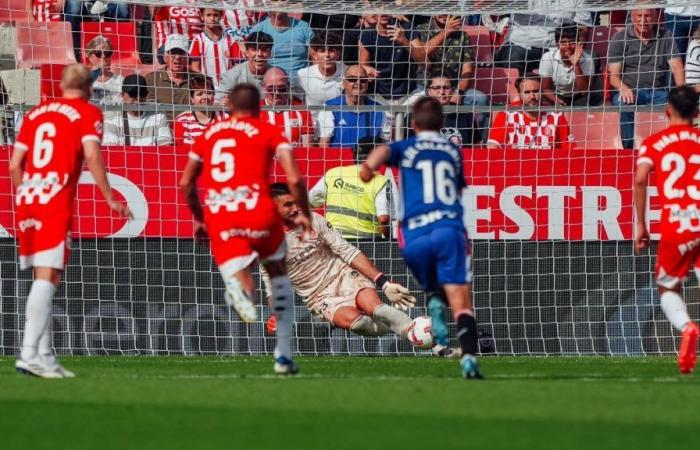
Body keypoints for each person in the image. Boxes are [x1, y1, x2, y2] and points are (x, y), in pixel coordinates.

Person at [179, 83, 313, 375]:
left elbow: (186, 184)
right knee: (278, 275)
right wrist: (305, 214)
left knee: (244, 280)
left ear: (228, 106)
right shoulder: (268, 131)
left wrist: (199, 216)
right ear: (259, 106)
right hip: (259, 212)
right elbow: (293, 177)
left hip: (221, 215)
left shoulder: (207, 134)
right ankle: (283, 354)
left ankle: (240, 291)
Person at [10, 64, 132, 378]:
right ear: (89, 87)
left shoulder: (36, 113)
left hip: (28, 196)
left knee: (45, 276)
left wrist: (27, 192)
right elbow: (92, 155)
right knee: (48, 277)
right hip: (54, 197)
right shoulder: (87, 113)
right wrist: (109, 197)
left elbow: (14, 164)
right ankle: (27, 355)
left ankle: (45, 357)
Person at [360, 96, 483, 379]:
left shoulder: (406, 146)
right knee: (462, 299)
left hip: (414, 234)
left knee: (431, 281)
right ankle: (468, 359)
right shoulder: (452, 152)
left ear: (413, 124)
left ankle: (434, 294)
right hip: (448, 229)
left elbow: (380, 152)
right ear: (441, 124)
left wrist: (367, 169)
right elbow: (458, 189)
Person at [261, 183, 456, 356]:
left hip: (344, 275)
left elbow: (347, 251)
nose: (296, 208)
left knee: (375, 308)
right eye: (288, 205)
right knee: (359, 323)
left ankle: (429, 340)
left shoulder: (313, 220)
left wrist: (384, 283)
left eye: (296, 202)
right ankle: (414, 329)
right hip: (318, 297)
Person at [634, 85, 700, 374]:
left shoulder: (654, 142)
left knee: (668, 285)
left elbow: (639, 180)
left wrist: (641, 226)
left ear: (666, 110)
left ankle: (686, 327)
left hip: (676, 221)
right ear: (697, 113)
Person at [608, 8, 685, 150]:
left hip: (658, 92)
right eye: (639, 15)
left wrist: (681, 94)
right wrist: (624, 88)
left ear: (655, 17)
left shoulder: (666, 36)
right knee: (623, 103)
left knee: (678, 105)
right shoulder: (620, 38)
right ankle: (629, 150)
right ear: (632, 17)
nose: (643, 20)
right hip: (631, 91)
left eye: (648, 16)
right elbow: (613, 77)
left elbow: (677, 68)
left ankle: (673, 148)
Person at [309, 136, 392, 240]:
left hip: (333, 240)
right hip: (366, 241)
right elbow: (383, 219)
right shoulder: (380, 181)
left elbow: (310, 201)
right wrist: (389, 241)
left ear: (354, 153)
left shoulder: (334, 173)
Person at [415, 14, 487, 108]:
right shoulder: (420, 30)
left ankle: (467, 123)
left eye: (447, 10)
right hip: (425, 86)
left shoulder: (462, 36)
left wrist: (459, 92)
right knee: (414, 100)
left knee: (479, 99)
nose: (444, 13)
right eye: (440, 9)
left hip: (452, 88)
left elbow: (467, 70)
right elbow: (423, 52)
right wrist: (447, 31)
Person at [487, 73, 574, 150]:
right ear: (519, 94)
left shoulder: (555, 115)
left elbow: (571, 149)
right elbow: (493, 145)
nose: (532, 96)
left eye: (536, 91)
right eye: (527, 92)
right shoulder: (507, 113)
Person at [358, 14, 426, 104]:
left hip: (409, 94)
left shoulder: (406, 27)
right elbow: (362, 65)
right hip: (378, 96)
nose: (383, 12)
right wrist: (366, 69)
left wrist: (405, 42)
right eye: (379, 6)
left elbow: (425, 62)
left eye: (386, 4)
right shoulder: (368, 34)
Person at [317, 65, 390, 148]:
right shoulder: (329, 107)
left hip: (368, 159)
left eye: (363, 80)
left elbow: (385, 145)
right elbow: (324, 144)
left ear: (367, 84)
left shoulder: (380, 110)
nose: (358, 83)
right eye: (352, 79)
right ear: (344, 83)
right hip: (339, 159)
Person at [407, 71, 477, 146]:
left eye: (446, 88)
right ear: (429, 91)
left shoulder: (466, 114)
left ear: (453, 91)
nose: (441, 92)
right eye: (436, 88)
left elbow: (476, 146)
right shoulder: (419, 116)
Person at [103, 74, 173, 146]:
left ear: (147, 94)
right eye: (133, 93)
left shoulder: (158, 113)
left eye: (142, 93)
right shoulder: (111, 116)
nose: (138, 97)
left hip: (151, 157)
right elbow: (111, 151)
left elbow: (165, 147)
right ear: (122, 95)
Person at [248, 11, 314, 83]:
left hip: (300, 85)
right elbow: (252, 62)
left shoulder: (303, 27)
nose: (279, 2)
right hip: (270, 85)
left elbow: (315, 58)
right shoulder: (258, 29)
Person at [539, 26, 596, 106]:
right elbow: (546, 88)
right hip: (555, 95)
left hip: (579, 96)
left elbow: (584, 91)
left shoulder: (588, 59)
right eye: (563, 43)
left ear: (578, 43)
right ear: (557, 44)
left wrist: (576, 65)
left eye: (572, 42)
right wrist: (557, 101)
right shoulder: (548, 57)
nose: (568, 46)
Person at [296, 31, 346, 121]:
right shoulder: (303, 75)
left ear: (338, 54)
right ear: (314, 55)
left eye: (331, 50)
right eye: (322, 51)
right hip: (312, 125)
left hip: (340, 125)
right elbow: (297, 103)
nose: (327, 55)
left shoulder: (347, 73)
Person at [189, 8, 243, 88]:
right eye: (208, 15)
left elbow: (237, 66)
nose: (212, 19)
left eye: (215, 15)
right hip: (207, 89)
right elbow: (195, 68)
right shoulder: (198, 40)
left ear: (221, 16)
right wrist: (204, 84)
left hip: (228, 88)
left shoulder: (230, 40)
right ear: (202, 16)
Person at [260, 67, 315, 146]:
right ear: (264, 88)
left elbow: (308, 150)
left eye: (281, 88)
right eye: (271, 89)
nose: (277, 93)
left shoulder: (302, 111)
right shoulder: (253, 111)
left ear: (288, 86)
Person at [215, 31, 274, 102]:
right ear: (247, 53)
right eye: (254, 49)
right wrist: (223, 102)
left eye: (264, 50)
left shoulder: (277, 75)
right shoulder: (231, 76)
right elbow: (217, 103)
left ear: (270, 53)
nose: (259, 54)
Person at [173, 74, 228, 147]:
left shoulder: (225, 118)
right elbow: (177, 151)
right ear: (192, 98)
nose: (205, 97)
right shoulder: (181, 121)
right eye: (200, 94)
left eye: (209, 93)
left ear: (214, 95)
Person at [145, 34, 191, 110]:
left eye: (181, 52)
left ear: (187, 57)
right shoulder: (151, 79)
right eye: (173, 52)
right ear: (165, 57)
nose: (177, 57)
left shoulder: (197, 79)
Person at [85, 36, 124, 108]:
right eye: (98, 53)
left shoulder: (120, 80)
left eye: (107, 53)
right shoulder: (83, 80)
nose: (103, 56)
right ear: (90, 57)